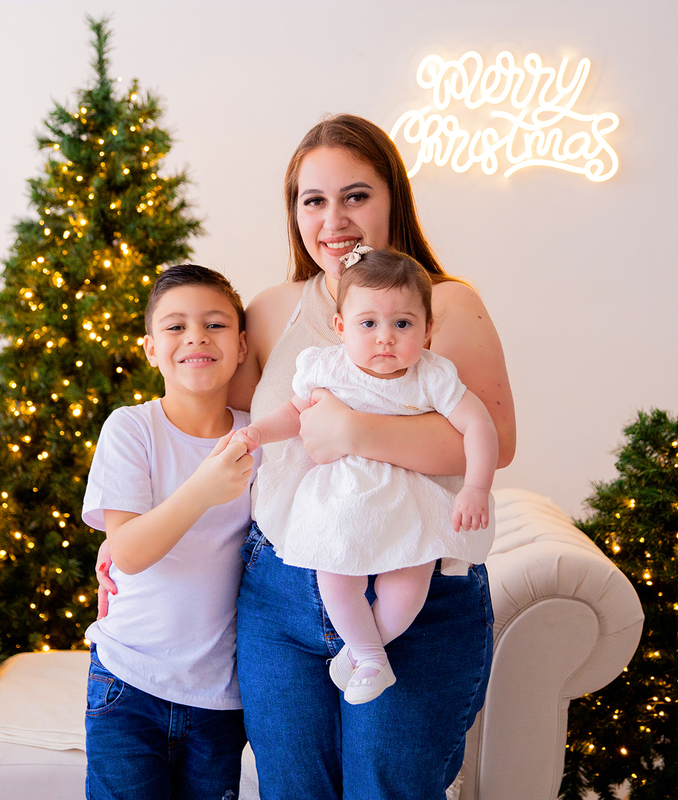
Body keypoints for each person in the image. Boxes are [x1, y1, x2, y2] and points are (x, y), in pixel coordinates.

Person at [227, 114, 515, 800]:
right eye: (314, 200)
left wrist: (352, 431)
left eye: (356, 196)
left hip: (411, 577)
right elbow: (228, 439)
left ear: (393, 200)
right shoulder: (270, 310)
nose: (334, 221)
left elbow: (495, 439)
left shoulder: (446, 303)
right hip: (281, 590)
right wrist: (130, 531)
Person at [231, 247, 498, 707]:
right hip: (342, 499)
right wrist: (258, 433)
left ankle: (367, 651)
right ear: (341, 327)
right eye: (368, 323)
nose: (385, 338)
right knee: (335, 576)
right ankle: (369, 652)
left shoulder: (432, 376)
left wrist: (476, 487)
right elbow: (294, 413)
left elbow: (480, 426)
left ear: (427, 330)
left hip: (409, 499)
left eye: (403, 324)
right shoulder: (326, 367)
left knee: (410, 582)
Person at [80, 264, 258, 800]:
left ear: (242, 345)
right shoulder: (131, 428)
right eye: (176, 326)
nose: (196, 337)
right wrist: (203, 488)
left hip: (218, 699)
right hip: (127, 681)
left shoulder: (259, 437)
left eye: (215, 324)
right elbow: (129, 553)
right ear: (151, 349)